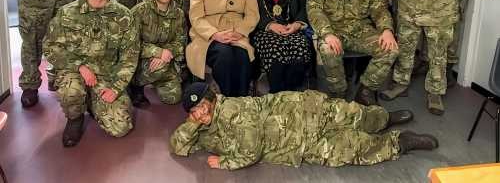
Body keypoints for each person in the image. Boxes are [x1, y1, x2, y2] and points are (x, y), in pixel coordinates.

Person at [170, 82, 438, 170]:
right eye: (196, 111)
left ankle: (384, 119)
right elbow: (176, 145)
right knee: (350, 148)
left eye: (205, 105)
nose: (202, 112)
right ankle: (402, 142)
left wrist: (224, 162)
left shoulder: (230, 109)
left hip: (301, 111)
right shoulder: (201, 129)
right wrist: (192, 126)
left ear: (213, 99)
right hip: (299, 142)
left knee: (352, 113)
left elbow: (249, 152)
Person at [43, 0, 139, 147]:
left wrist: (116, 88)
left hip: (106, 77)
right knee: (72, 90)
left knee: (120, 127)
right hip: (74, 72)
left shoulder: (124, 16)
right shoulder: (67, 12)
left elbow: (130, 57)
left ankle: (93, 102)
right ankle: (75, 119)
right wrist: (79, 66)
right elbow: (50, 47)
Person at [307, 0, 399, 105]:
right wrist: (327, 34)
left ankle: (365, 91)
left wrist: (387, 30)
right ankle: (339, 94)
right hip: (333, 30)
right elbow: (314, 9)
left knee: (390, 49)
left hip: (360, 30)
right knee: (328, 50)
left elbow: (379, 9)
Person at [186, 0, 259, 96]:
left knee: (242, 56)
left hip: (236, 32)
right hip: (208, 34)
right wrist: (214, 34)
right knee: (224, 55)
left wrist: (240, 32)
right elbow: (196, 16)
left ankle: (242, 100)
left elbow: (253, 14)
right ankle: (228, 100)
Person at [248, 0, 312, 93]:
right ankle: (277, 94)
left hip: (290, 27)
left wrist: (297, 24)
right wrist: (269, 25)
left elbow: (306, 3)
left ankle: (290, 93)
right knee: (276, 53)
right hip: (264, 29)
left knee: (301, 49)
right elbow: (249, 9)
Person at [129, 0, 186, 108]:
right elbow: (130, 44)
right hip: (140, 60)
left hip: (166, 59)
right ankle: (135, 85)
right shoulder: (140, 11)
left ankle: (158, 80)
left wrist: (166, 53)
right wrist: (157, 51)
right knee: (160, 67)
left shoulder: (178, 14)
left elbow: (181, 41)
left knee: (173, 97)